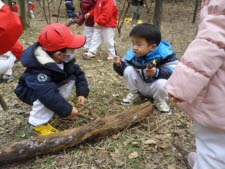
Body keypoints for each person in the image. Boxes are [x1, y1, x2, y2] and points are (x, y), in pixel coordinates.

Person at [165, 0, 225, 168]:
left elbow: (211, 43)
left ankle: (206, 162)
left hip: (219, 102)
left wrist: (180, 87)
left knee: (215, 150)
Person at [14, 23, 90, 136]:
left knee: (69, 78)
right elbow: (46, 94)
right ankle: (37, 125)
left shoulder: (65, 60)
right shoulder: (38, 70)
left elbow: (78, 74)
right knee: (45, 98)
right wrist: (67, 110)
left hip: (48, 88)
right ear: (59, 54)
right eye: (71, 49)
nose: (73, 51)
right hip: (31, 92)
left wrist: (82, 93)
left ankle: (58, 105)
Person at [113, 23, 178, 114]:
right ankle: (134, 93)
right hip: (140, 86)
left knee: (163, 83)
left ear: (152, 47)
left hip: (155, 86)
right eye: (133, 43)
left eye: (139, 45)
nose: (134, 48)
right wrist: (119, 65)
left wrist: (157, 72)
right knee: (128, 70)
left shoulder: (165, 54)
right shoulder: (132, 54)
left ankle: (160, 101)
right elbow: (124, 70)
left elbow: (175, 71)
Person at [0, 0, 23, 82]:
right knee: (12, 54)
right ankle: (7, 76)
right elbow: (18, 50)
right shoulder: (8, 38)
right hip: (3, 65)